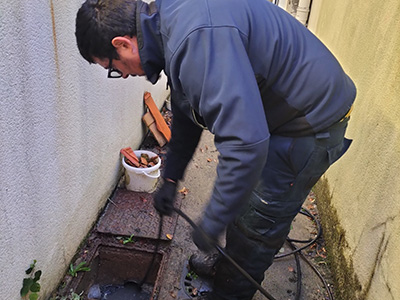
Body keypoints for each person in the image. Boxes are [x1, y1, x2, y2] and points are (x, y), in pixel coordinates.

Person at [75, 0, 356, 299]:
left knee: (259, 221)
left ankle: (230, 291)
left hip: (310, 119)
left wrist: (212, 221)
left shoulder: (195, 38)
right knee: (243, 197)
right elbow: (187, 108)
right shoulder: (170, 24)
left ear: (122, 44)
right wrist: (170, 177)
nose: (124, 75)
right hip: (279, 109)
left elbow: (246, 146)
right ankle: (226, 265)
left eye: (113, 68)